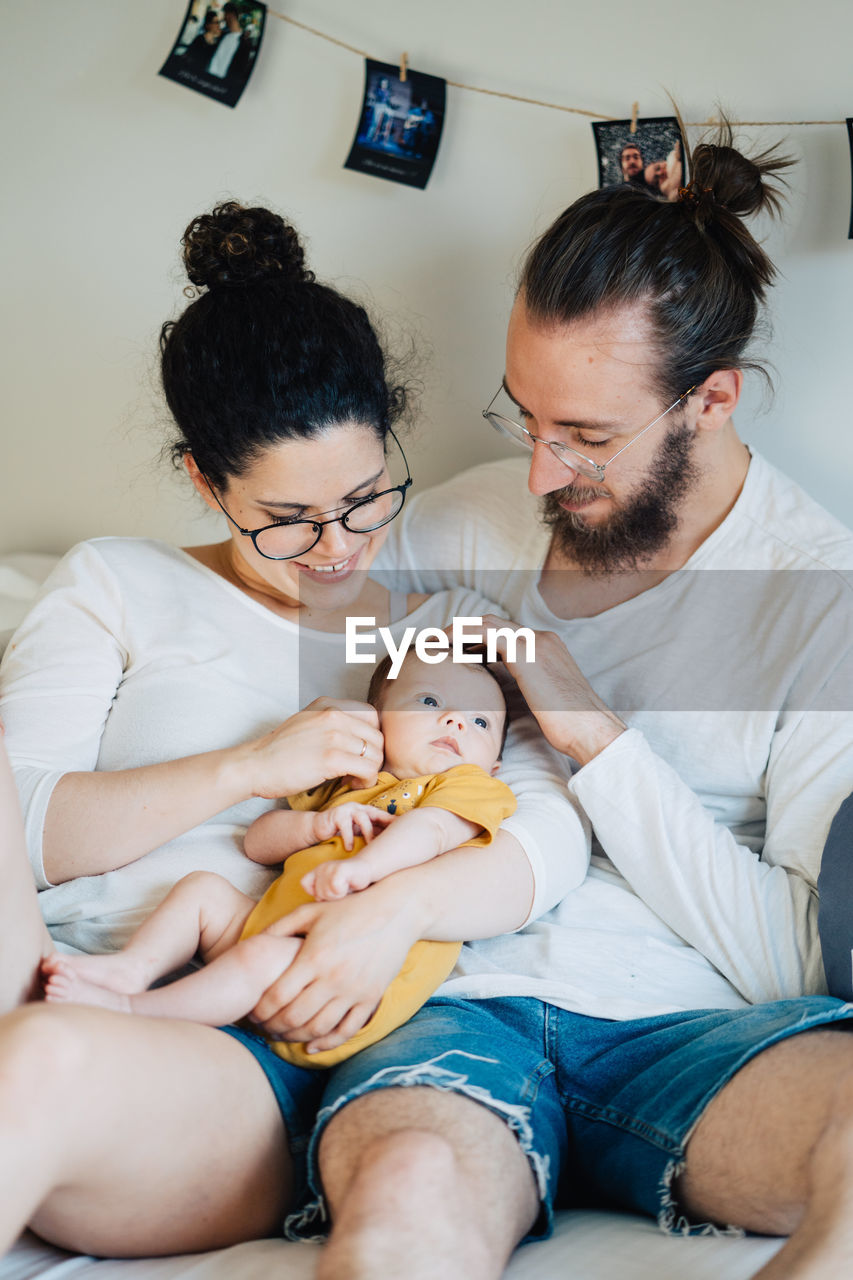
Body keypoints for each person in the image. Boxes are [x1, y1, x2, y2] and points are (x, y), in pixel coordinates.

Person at [283, 125, 853, 1279]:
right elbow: (281, 641)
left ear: (711, 400)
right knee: (401, 1209)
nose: (541, 475)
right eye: (525, 421)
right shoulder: (462, 523)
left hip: (697, 1028)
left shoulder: (817, 604)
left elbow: (792, 959)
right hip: (459, 1000)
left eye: (586, 440)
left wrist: (582, 721)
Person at [0, 202, 588, 1260]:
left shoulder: (430, 643)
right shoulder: (114, 582)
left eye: (366, 500)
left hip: (228, 1046)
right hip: (43, 966)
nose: (336, 547)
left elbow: (538, 837)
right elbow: (27, 828)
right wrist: (247, 767)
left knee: (42, 1057)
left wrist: (394, 901)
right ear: (204, 481)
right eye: (286, 518)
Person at [40, 652, 517, 1070]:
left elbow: (430, 831)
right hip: (268, 932)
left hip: (341, 988)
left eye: (480, 722)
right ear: (375, 720)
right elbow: (258, 843)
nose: (455, 721)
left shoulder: (469, 788)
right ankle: (133, 968)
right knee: (202, 890)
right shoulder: (346, 782)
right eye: (430, 702)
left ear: (495, 763)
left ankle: (132, 1010)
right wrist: (315, 827)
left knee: (260, 956)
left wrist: (365, 868)